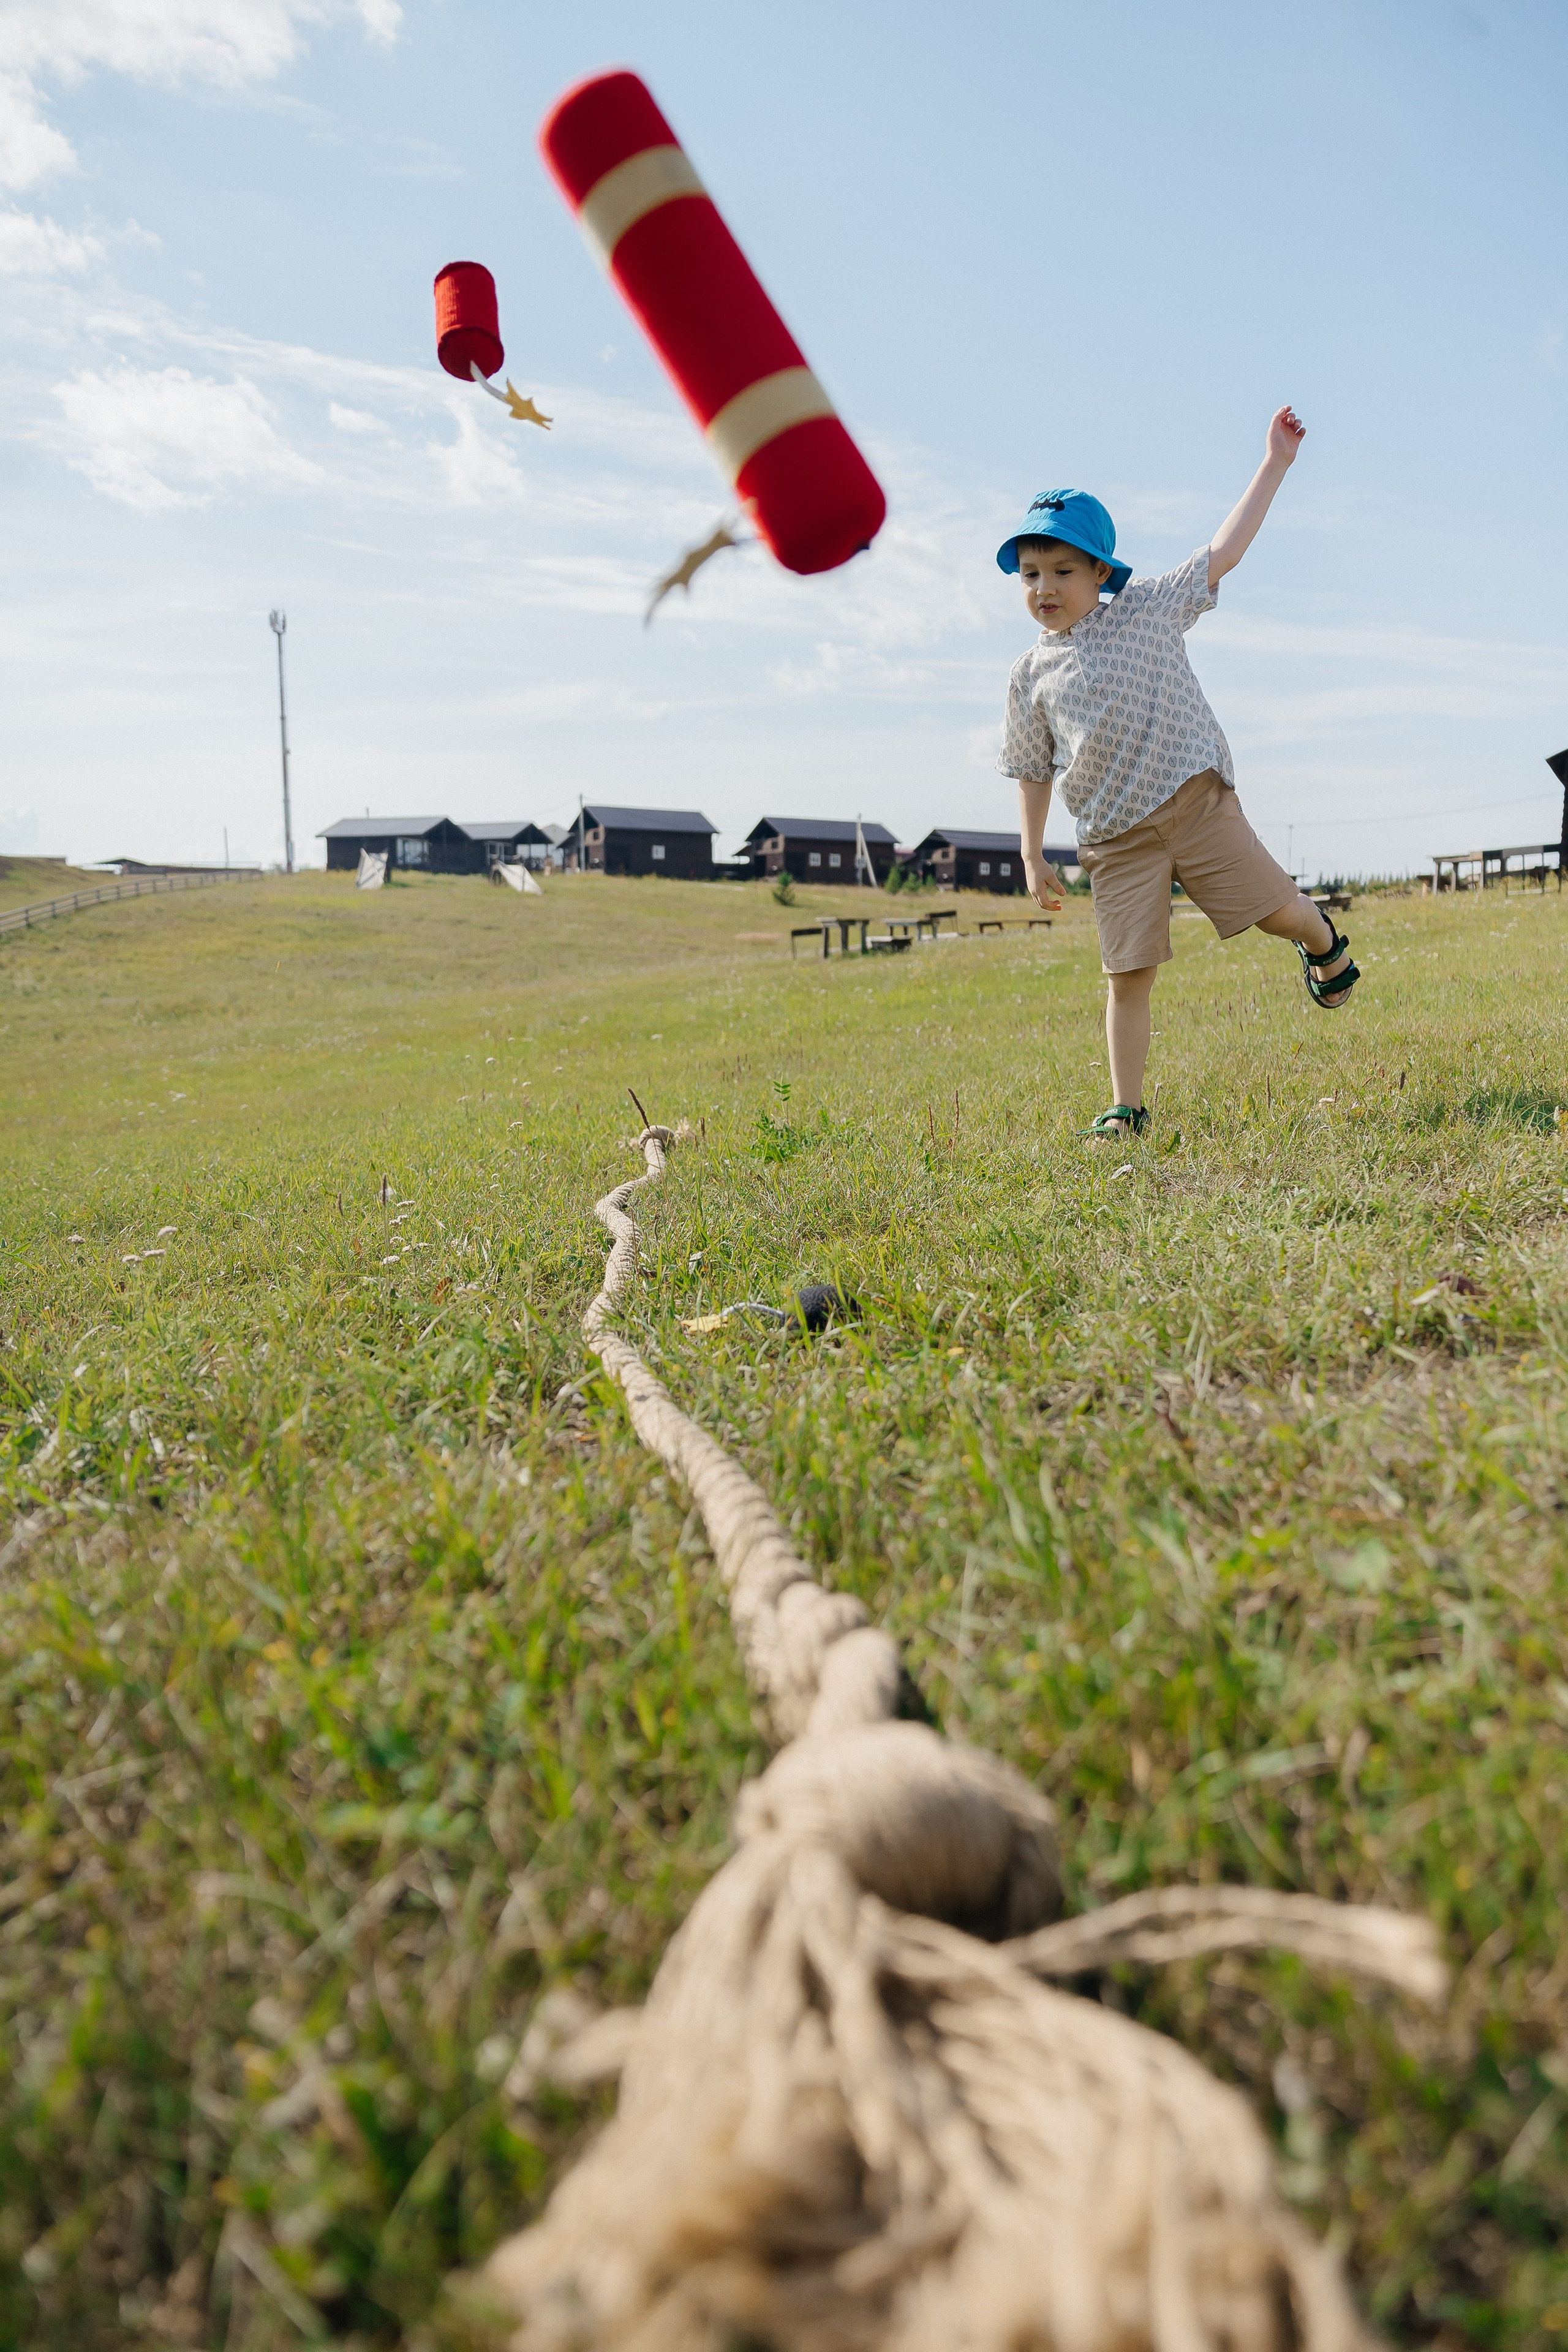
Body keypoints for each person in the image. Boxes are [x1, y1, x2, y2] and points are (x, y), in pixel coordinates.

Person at [998, 408, 1357, 1143]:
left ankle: (1320, 935)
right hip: (1115, 842)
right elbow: (1032, 768)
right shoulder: (1029, 673)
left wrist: (1275, 462)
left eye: (1062, 571)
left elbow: (1223, 552)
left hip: (1196, 806)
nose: (1044, 587)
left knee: (1276, 914)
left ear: (1100, 572)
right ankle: (1125, 1109)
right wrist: (1032, 852)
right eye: (1031, 573)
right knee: (1126, 975)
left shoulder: (1148, 609)